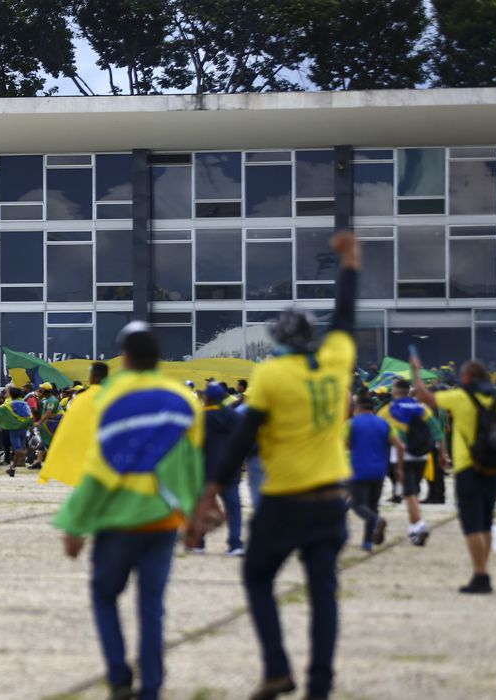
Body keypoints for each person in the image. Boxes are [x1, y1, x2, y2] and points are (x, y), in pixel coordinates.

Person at [190, 230, 361, 700]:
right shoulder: (335, 364)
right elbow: (345, 316)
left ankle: (277, 668)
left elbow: (242, 438)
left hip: (286, 501)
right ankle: (320, 686)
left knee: (258, 577)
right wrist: (351, 262)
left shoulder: (271, 375)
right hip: (331, 500)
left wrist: (210, 491)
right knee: (323, 593)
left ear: (279, 340)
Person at [54, 322, 204, 700]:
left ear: (125, 357)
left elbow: (100, 467)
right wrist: (194, 516)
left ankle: (120, 678)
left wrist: (75, 523)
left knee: (105, 596)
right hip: (163, 520)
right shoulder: (184, 401)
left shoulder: (109, 398)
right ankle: (151, 688)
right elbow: (190, 465)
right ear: (158, 357)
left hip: (118, 521)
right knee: (151, 608)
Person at [411, 357, 496, 594]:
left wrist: (416, 372)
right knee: (486, 523)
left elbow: (424, 396)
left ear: (466, 378)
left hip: (468, 469)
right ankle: (483, 569)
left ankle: (481, 575)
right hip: (493, 468)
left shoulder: (461, 397)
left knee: (472, 526)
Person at [376, 378, 440, 545]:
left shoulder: (388, 409)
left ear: (395, 392)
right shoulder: (422, 407)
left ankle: (420, 526)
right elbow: (436, 429)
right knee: (412, 493)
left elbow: (378, 429)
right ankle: (414, 531)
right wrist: (443, 452)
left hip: (401, 457)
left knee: (409, 494)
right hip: (422, 455)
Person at [190, 382, 243, 556]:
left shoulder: (198, 417)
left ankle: (199, 543)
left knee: (202, 506)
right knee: (233, 507)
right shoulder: (234, 417)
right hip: (230, 469)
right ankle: (235, 543)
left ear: (207, 397)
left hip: (205, 469)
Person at [348, 395, 400, 553]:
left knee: (358, 506)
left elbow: (341, 444)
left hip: (359, 471)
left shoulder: (351, 424)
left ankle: (376, 522)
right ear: (374, 409)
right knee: (373, 506)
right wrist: (400, 468)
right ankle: (368, 542)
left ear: (357, 408)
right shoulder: (384, 424)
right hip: (379, 471)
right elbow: (400, 446)